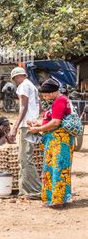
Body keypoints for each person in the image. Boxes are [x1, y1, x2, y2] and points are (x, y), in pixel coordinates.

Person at [28, 78, 75, 208]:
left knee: (58, 169)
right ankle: (52, 198)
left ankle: (58, 199)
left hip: (59, 141)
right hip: (54, 141)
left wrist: (38, 129)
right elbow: (51, 119)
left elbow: (55, 123)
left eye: (46, 94)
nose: (44, 97)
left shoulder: (60, 101)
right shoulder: (57, 100)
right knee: (51, 168)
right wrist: (37, 123)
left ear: (53, 92)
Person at [7, 67, 41, 199]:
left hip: (26, 126)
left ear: (17, 77)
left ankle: (35, 190)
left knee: (25, 159)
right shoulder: (32, 86)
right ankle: (24, 190)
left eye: (15, 79)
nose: (15, 81)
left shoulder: (24, 86)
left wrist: (15, 127)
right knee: (24, 158)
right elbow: (39, 106)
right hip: (31, 124)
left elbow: (24, 107)